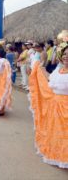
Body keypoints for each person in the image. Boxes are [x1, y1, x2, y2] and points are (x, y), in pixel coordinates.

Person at [28, 32, 68, 168]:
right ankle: (58, 156)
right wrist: (41, 70)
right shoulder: (58, 70)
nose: (66, 56)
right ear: (60, 57)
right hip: (55, 106)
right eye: (64, 54)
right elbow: (50, 79)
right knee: (57, 132)